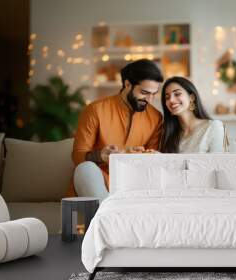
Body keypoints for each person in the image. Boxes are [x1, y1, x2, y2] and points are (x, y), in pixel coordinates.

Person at [68, 59, 164, 200]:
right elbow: (78, 155)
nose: (150, 100)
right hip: (99, 181)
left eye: (154, 94)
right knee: (85, 169)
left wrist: (139, 157)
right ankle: (110, 215)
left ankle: (111, 216)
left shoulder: (156, 117)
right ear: (127, 84)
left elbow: (150, 161)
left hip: (134, 184)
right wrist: (100, 156)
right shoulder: (95, 110)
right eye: (144, 92)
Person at [160, 76, 226, 153]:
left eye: (177, 94)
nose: (171, 100)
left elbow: (218, 163)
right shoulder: (168, 135)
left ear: (192, 97)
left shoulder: (214, 127)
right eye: (167, 97)